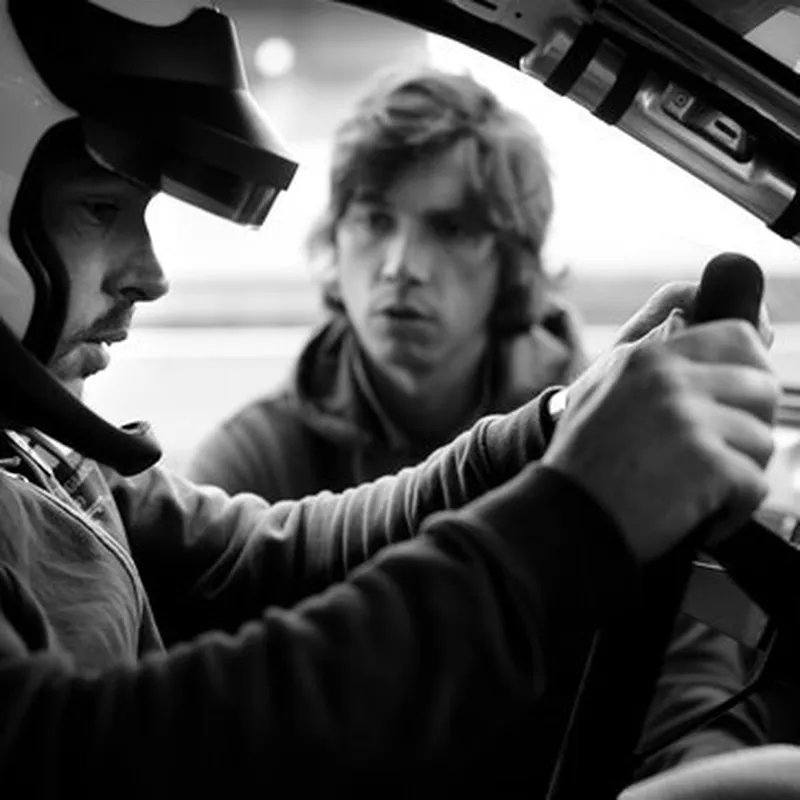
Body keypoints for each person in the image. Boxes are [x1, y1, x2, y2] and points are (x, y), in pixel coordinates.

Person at [0, 1, 781, 797]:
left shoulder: (42, 457)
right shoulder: (214, 447)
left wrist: (557, 429)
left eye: (452, 232)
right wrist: (579, 514)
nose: (152, 272)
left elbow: (260, 560)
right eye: (101, 208)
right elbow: (99, 750)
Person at [187, 65, 588, 499]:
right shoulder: (253, 466)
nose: (401, 266)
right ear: (335, 240)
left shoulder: (588, 429)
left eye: (452, 229)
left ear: (511, 264)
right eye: (375, 221)